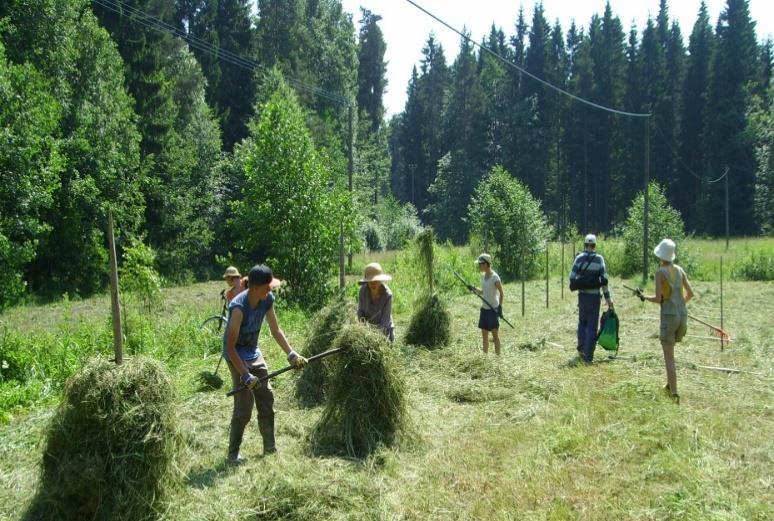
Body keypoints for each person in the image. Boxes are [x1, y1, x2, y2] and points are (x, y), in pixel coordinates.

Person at [223, 264, 307, 464]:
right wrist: (245, 375)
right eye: (266, 286)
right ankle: (233, 454)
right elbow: (229, 347)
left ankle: (270, 447)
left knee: (266, 396)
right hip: (235, 354)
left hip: (253, 352)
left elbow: (276, 331)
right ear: (253, 287)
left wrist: (291, 354)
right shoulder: (238, 307)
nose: (270, 290)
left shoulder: (267, 300)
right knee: (244, 406)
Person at [636, 239, 693, 403]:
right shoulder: (680, 270)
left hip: (669, 318)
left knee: (669, 358)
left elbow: (659, 298)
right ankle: (669, 385)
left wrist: (644, 297)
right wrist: (679, 304)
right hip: (682, 317)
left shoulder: (660, 272)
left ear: (661, 256)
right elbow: (690, 294)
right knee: (671, 353)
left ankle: (674, 393)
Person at [569, 234, 614, 363]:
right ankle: (588, 356)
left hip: (582, 296)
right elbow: (604, 281)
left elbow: (572, 277)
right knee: (592, 325)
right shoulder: (599, 259)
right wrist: (608, 299)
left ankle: (581, 349)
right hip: (595, 297)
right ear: (594, 245)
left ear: (584, 245)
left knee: (582, 322)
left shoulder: (579, 258)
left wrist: (582, 282)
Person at [473, 254, 504, 355]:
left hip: (492, 309)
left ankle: (498, 358)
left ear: (486, 264)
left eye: (480, 264)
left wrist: (499, 308)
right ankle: (485, 358)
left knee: (495, 335)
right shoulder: (483, 276)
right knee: (484, 335)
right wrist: (474, 289)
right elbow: (483, 292)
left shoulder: (495, 277)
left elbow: (502, 293)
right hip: (484, 309)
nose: (479, 266)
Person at [357, 262, 394, 342]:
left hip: (384, 334)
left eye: (376, 280)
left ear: (381, 280)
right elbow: (360, 312)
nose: (373, 283)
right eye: (370, 281)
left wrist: (373, 336)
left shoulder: (387, 295)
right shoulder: (363, 291)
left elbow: (385, 321)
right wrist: (363, 330)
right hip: (366, 331)